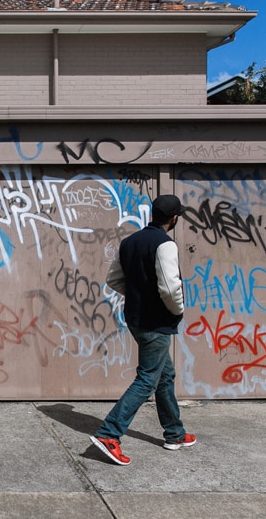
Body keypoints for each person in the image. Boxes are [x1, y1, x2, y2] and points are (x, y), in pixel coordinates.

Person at [90, 194, 195, 466]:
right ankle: (109, 434)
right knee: (148, 378)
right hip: (157, 322)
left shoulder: (130, 242)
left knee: (164, 374)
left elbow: (113, 279)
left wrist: (138, 296)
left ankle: (174, 433)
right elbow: (170, 288)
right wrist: (177, 311)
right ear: (174, 218)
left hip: (136, 319)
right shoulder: (165, 244)